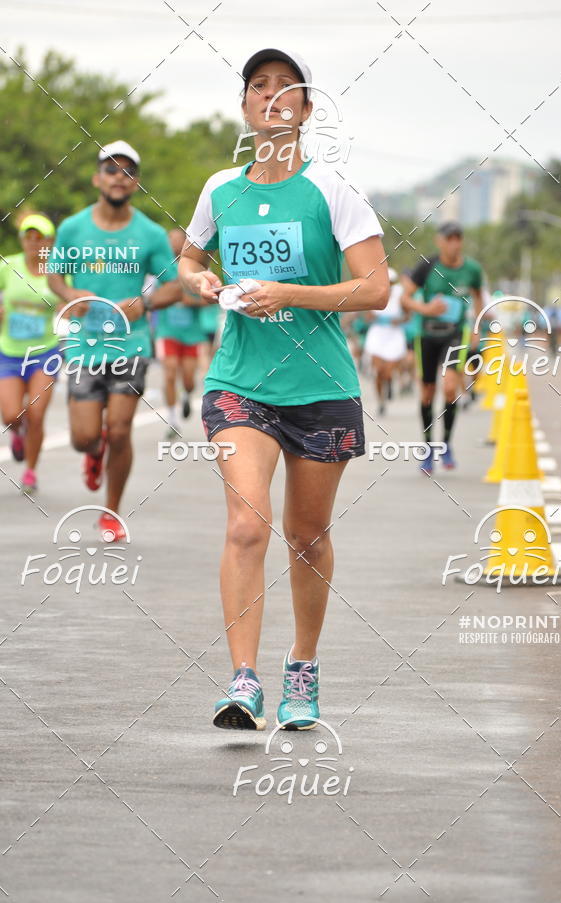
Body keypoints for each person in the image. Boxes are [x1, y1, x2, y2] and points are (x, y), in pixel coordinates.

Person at [179, 48, 388, 731]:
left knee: (306, 536)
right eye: (258, 86)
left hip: (321, 386)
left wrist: (290, 293)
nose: (271, 96)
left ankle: (303, 665)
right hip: (240, 382)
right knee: (247, 525)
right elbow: (190, 254)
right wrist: (197, 277)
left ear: (305, 109)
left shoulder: (333, 189)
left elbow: (376, 288)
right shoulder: (221, 189)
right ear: (244, 107)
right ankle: (243, 679)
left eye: (285, 87)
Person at [47, 140, 180, 540]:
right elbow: (54, 275)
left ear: (136, 183)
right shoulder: (73, 228)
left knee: (120, 430)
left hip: (130, 344)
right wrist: (70, 294)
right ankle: (94, 451)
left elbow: (176, 287)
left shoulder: (150, 233)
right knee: (84, 437)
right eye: (111, 170)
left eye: (128, 172)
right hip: (83, 345)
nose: (119, 178)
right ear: (97, 178)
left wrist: (146, 302)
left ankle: (112, 512)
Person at [401, 221, 483, 474]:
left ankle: (446, 443)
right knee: (427, 392)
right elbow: (405, 298)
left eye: (458, 238)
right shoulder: (427, 266)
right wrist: (425, 308)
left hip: (455, 333)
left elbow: (478, 298)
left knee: (449, 388)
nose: (454, 243)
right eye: (449, 238)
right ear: (439, 241)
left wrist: (477, 328)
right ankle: (428, 449)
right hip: (427, 334)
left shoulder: (472, 269)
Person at [0, 214, 63, 492]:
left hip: (44, 353)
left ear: (50, 242)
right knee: (11, 415)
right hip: (9, 352)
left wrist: (68, 308)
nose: (33, 243)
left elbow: (70, 298)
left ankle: (30, 471)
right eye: (28, 237)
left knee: (36, 413)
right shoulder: (8, 266)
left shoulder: (57, 270)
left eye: (40, 238)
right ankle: (17, 433)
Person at [155, 228, 206, 437]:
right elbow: (151, 298)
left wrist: (190, 301)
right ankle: (173, 420)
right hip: (167, 331)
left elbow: (208, 298)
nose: (174, 243)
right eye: (171, 239)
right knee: (169, 373)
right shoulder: (160, 269)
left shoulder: (195, 268)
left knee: (188, 380)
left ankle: (186, 395)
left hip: (191, 334)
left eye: (179, 239)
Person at [364, 267, 408, 415]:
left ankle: (389, 382)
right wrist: (372, 317)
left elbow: (408, 315)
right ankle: (381, 401)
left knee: (388, 371)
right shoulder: (373, 293)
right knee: (378, 371)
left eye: (392, 282)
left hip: (394, 335)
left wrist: (399, 320)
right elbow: (367, 317)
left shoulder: (401, 295)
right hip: (377, 334)